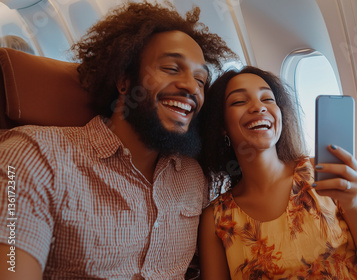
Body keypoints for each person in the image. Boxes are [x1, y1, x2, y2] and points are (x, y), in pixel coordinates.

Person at [0, 1, 234, 279]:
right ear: (124, 81)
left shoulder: (194, 177)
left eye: (200, 79)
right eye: (171, 68)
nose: (190, 87)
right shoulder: (33, 157)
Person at [197, 66, 357, 280]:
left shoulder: (321, 172)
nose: (258, 107)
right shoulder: (217, 219)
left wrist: (355, 203)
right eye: (239, 101)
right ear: (222, 124)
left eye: (268, 99)